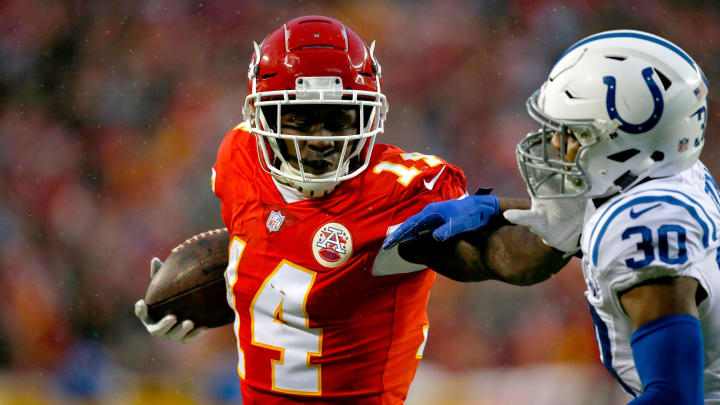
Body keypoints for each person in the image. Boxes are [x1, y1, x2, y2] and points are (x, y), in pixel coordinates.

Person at [134, 15, 567, 404]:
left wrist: (569, 222)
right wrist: (210, 291)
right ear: (262, 119)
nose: (321, 139)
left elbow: (498, 255)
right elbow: (273, 249)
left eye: (339, 119)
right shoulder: (240, 157)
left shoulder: (397, 192)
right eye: (302, 119)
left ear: (369, 118)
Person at [385, 30, 718, 404]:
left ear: (625, 142)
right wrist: (497, 207)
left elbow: (675, 397)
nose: (555, 144)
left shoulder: (644, 225)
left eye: (573, 132)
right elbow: (536, 251)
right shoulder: (651, 170)